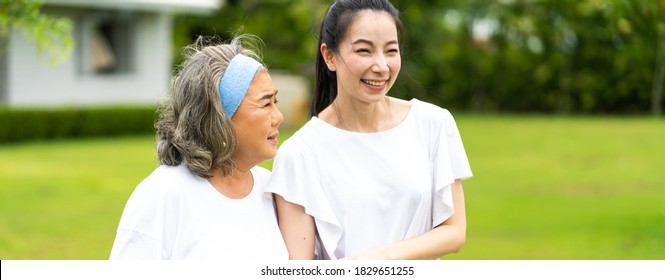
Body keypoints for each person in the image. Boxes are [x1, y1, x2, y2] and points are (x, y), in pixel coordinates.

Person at [265, 0, 473, 260]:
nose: (381, 66)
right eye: (364, 50)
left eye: (391, 51)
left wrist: (380, 259)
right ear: (329, 56)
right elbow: (300, 268)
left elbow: (454, 231)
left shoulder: (433, 124)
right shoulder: (299, 153)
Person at [110, 35, 287, 260]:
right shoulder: (163, 194)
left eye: (276, 102)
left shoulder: (272, 189)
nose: (278, 117)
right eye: (265, 104)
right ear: (220, 116)